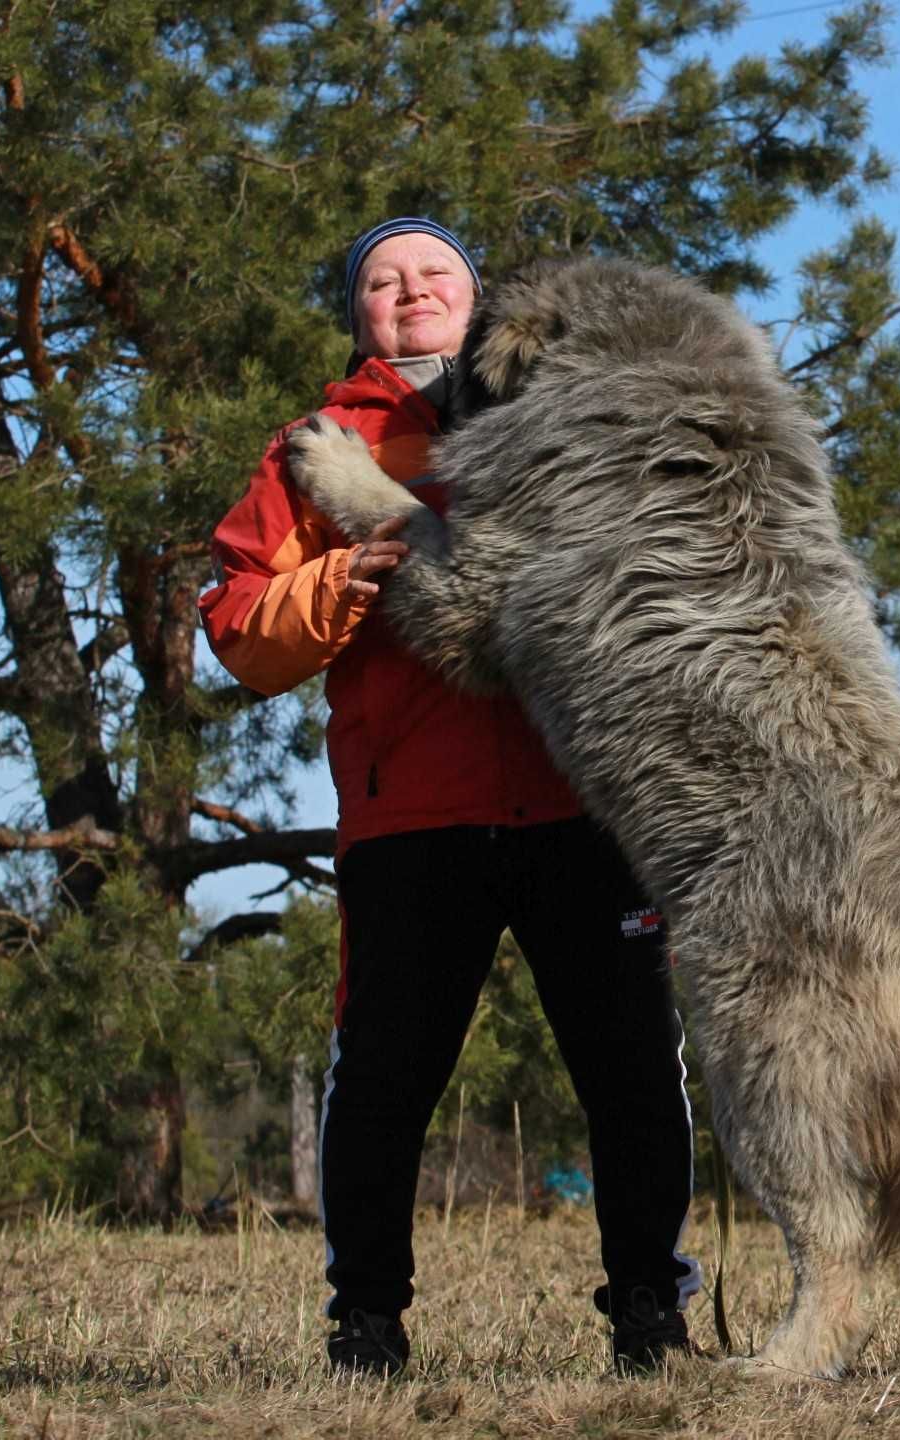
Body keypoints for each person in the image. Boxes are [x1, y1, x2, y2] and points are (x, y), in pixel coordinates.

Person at [198, 218, 700, 1377]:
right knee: (382, 1078)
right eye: (383, 280)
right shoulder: (318, 445)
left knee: (633, 1068)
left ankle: (650, 1317)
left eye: (434, 274)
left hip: (584, 800)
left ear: (477, 300)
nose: (411, 293)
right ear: (360, 313)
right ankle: (365, 1325)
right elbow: (238, 633)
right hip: (411, 813)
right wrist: (338, 576)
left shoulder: (568, 408)